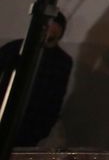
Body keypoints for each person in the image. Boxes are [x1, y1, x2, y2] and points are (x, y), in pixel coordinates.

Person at [0, 12, 73, 147]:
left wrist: (43, 128)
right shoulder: (15, 49)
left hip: (32, 124)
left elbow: (55, 98)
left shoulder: (62, 61)